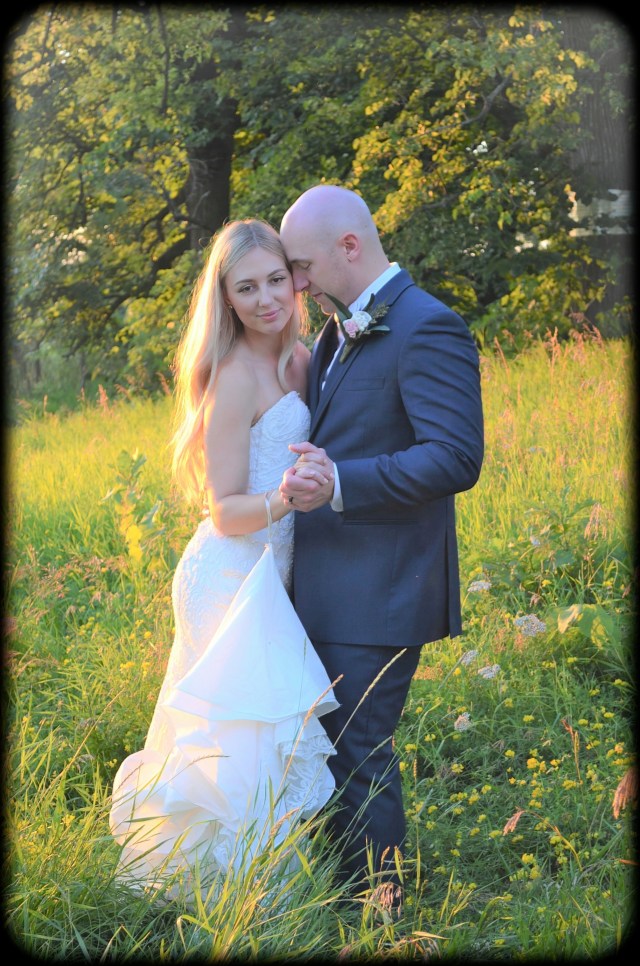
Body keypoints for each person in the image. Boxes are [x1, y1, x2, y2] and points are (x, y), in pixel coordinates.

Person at [109, 219, 339, 898]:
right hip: (231, 573)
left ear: (295, 280)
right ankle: (220, 899)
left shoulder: (303, 359)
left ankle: (257, 893)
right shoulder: (234, 377)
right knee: (236, 744)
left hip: (277, 572)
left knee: (264, 743)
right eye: (247, 287)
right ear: (228, 299)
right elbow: (225, 509)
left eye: (275, 279)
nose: (267, 298)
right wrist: (286, 498)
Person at [277, 184, 484, 903]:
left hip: (386, 587)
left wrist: (340, 483)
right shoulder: (335, 333)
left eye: (301, 266)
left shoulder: (430, 327)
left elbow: (456, 457)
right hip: (330, 584)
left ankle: (379, 911)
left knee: (360, 750)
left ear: (350, 247)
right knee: (330, 750)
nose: (296, 283)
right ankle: (342, 897)